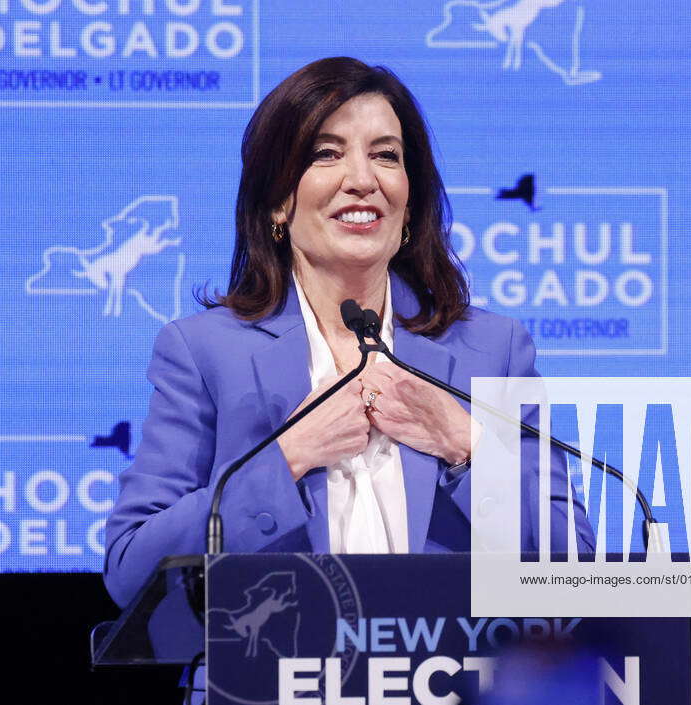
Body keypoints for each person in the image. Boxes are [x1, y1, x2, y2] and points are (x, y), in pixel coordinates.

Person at [104, 57, 595, 607]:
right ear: (278, 201)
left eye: (386, 156)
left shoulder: (492, 351)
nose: (362, 181)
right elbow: (132, 572)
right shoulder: (205, 352)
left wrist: (466, 443)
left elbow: (570, 565)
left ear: (409, 204)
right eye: (326, 154)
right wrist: (287, 457)